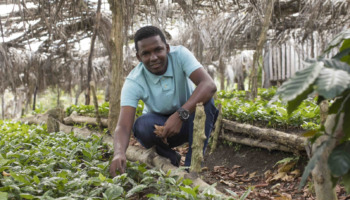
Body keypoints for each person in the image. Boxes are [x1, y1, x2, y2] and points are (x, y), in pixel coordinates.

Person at [109, 25, 218, 177]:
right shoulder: (134, 81)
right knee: (141, 126)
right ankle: (169, 157)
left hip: (189, 121)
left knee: (207, 102)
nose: (153, 57)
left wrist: (180, 115)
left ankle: (192, 169)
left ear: (167, 48)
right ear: (139, 57)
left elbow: (209, 85)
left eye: (158, 50)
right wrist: (119, 153)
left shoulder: (180, 55)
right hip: (162, 131)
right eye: (146, 53)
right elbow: (123, 126)